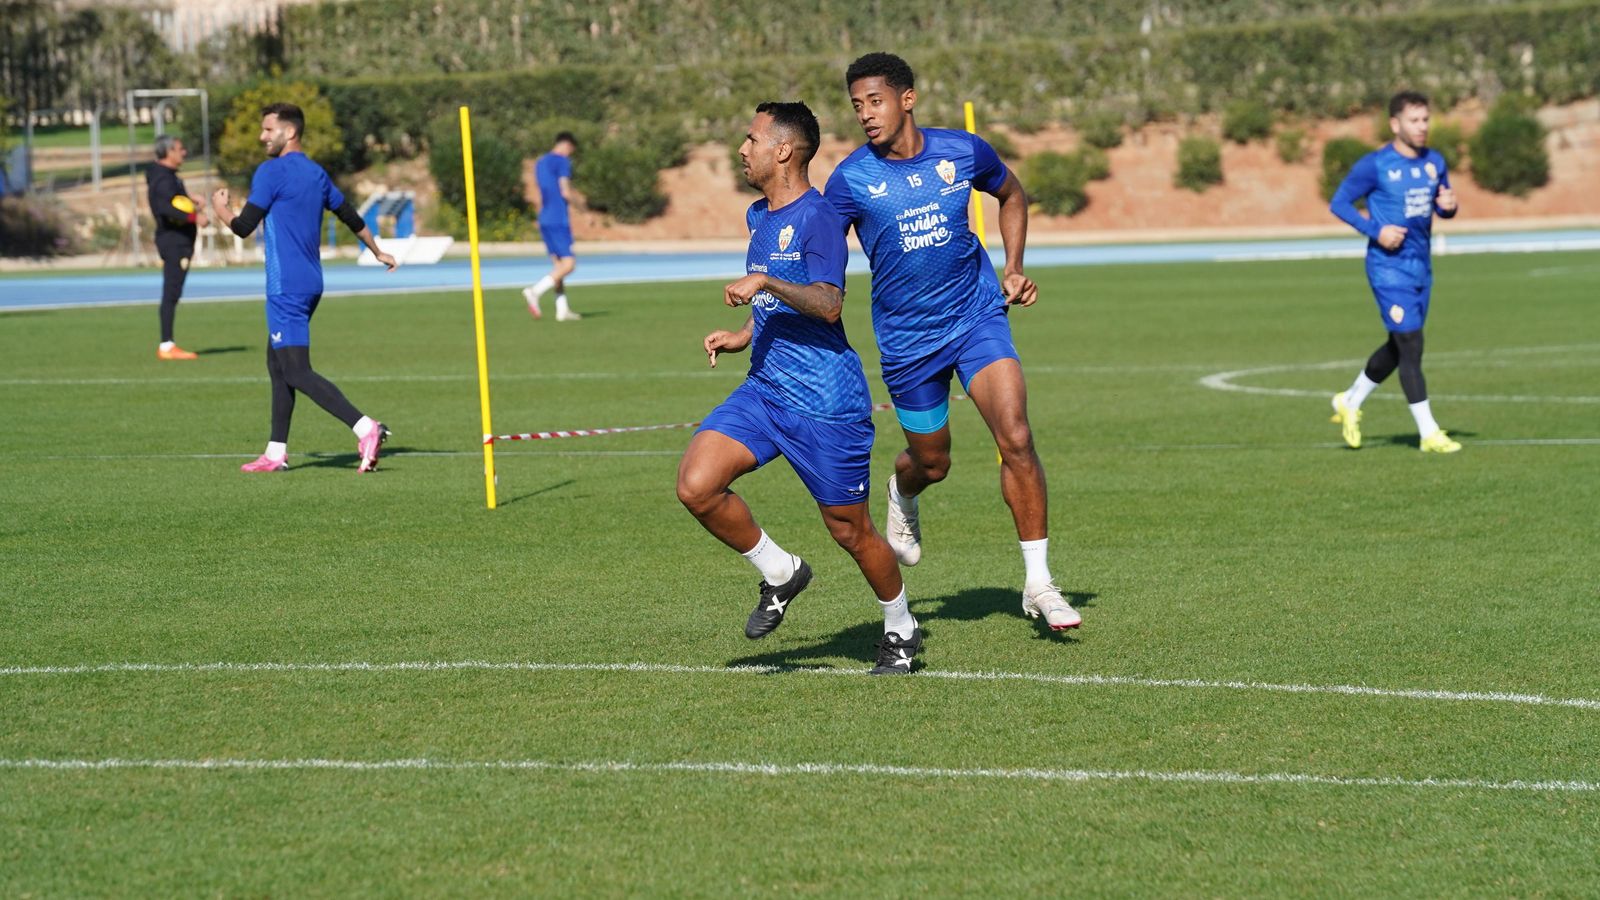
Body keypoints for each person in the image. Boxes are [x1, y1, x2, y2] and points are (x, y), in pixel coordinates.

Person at [823, 52, 1080, 631]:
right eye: (857, 104)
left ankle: (1039, 582)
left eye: (876, 100)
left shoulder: (963, 150)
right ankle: (902, 489)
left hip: (976, 317)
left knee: (1016, 436)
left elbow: (1012, 194)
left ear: (907, 98)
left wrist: (1013, 266)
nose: (866, 114)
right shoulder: (850, 179)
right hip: (908, 341)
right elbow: (820, 259)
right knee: (932, 462)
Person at [676, 101, 922, 675]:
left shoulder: (820, 218)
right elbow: (774, 304)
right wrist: (743, 335)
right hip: (764, 391)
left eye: (751, 139)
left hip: (826, 401)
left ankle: (901, 627)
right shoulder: (758, 215)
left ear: (783, 150)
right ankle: (780, 571)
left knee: (851, 530)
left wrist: (763, 278)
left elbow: (828, 304)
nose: (742, 149)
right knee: (697, 485)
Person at [209, 103, 399, 474]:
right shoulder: (316, 173)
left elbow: (244, 226)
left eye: (268, 130)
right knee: (276, 363)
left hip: (286, 287)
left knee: (296, 370)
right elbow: (350, 216)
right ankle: (275, 452)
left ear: (289, 132)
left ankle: (366, 428)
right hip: (312, 283)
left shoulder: (271, 171)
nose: (262, 136)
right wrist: (377, 250)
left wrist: (221, 209)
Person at [1328, 90, 1461, 454]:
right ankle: (1428, 432)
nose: (1422, 127)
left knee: (1399, 344)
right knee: (1411, 345)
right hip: (1388, 269)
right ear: (1395, 124)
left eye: (1425, 120)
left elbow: (1442, 205)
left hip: (1421, 266)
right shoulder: (1375, 165)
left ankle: (1350, 401)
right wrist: (1376, 230)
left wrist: (1449, 207)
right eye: (1414, 121)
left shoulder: (1435, 161)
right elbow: (1338, 203)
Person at [146, 135, 207, 360]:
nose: (184, 153)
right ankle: (166, 345)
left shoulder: (167, 177)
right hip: (174, 241)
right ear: (169, 151)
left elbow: (172, 201)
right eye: (180, 149)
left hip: (178, 240)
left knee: (174, 292)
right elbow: (164, 208)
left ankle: (167, 344)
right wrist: (194, 217)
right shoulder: (163, 179)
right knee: (171, 292)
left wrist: (191, 200)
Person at [522, 131, 581, 321]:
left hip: (545, 217)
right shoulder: (562, 161)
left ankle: (561, 309)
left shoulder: (541, 162)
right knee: (569, 264)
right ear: (567, 145)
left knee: (558, 267)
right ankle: (535, 291)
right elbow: (565, 191)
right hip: (557, 218)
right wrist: (583, 210)